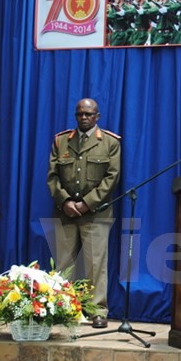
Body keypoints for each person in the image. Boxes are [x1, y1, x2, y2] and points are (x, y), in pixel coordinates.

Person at [47, 98, 121, 329]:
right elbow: (52, 176)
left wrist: (87, 203)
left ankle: (97, 311)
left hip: (96, 214)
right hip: (65, 212)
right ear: (75, 115)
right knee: (64, 265)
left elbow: (112, 177)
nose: (84, 118)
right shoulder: (61, 141)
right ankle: (62, 308)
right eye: (80, 114)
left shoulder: (109, 142)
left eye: (89, 114)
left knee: (95, 265)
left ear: (97, 116)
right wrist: (66, 201)